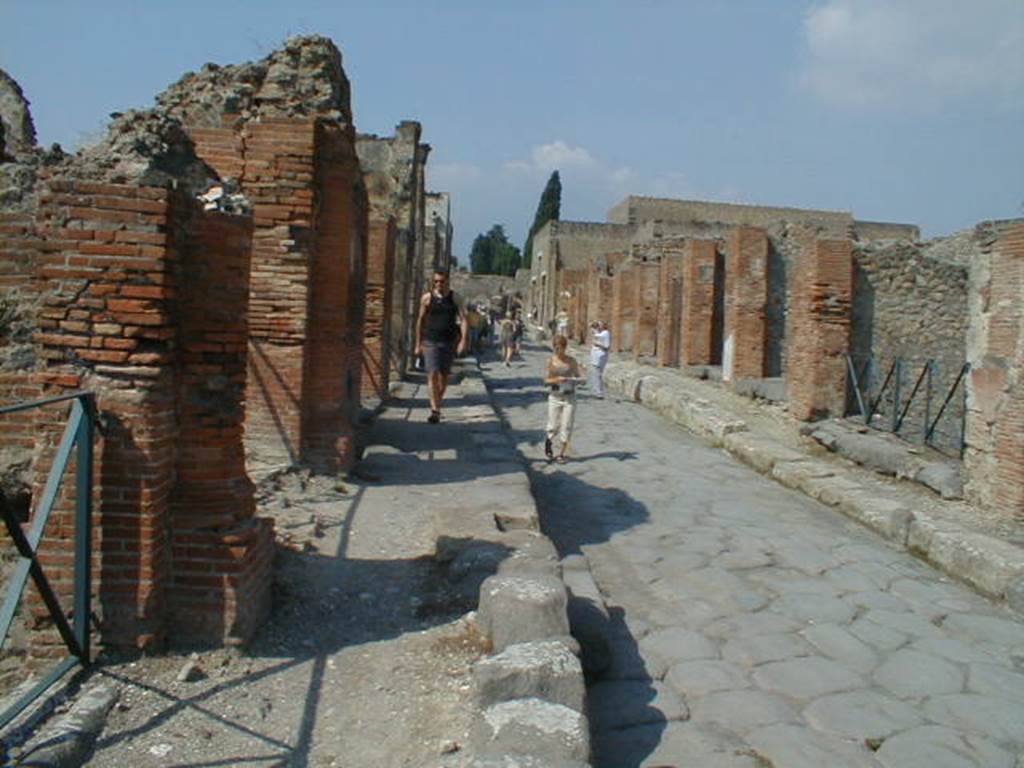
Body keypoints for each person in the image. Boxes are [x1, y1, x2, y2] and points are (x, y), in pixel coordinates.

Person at [415, 270, 468, 423]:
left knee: (444, 376)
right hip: (430, 341)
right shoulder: (427, 298)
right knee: (432, 373)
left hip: (449, 341)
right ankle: (435, 410)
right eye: (436, 281)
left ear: (447, 282)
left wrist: (463, 340)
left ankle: (437, 401)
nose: (439, 284)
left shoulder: (455, 298)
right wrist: (418, 343)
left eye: (442, 281)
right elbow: (420, 321)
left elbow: (463, 319)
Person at [544, 334, 582, 464]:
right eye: (555, 348)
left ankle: (561, 454)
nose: (557, 351)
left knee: (566, 425)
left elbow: (578, 377)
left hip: (569, 396)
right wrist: (556, 379)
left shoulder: (572, 361)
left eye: (560, 348)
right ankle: (548, 441)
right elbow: (546, 380)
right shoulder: (551, 361)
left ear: (565, 348)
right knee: (553, 425)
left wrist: (575, 381)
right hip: (555, 396)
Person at [590, 320, 610, 399]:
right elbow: (595, 334)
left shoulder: (606, 333)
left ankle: (599, 393)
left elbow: (606, 346)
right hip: (596, 356)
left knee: (598, 374)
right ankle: (596, 391)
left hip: (600, 356)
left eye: (600, 324)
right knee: (595, 374)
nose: (598, 326)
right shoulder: (600, 333)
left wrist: (597, 344)